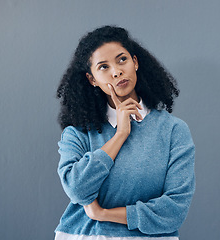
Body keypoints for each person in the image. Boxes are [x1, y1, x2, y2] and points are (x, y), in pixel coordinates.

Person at [54, 25, 195, 240]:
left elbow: (174, 211)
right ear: (91, 79)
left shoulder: (173, 131)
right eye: (103, 67)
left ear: (135, 62)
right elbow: (77, 190)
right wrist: (120, 134)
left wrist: (103, 213)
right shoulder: (78, 133)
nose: (116, 71)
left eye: (122, 60)